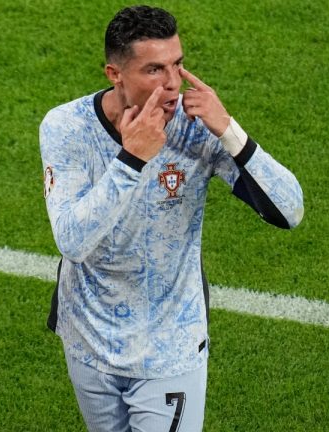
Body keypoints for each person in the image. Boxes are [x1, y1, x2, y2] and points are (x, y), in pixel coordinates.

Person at [39, 5, 303, 431]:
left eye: (178, 64)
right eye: (155, 70)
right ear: (115, 74)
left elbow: (290, 211)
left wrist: (229, 129)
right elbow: (72, 240)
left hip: (168, 347)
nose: (172, 83)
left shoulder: (197, 128)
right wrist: (131, 160)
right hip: (87, 340)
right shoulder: (65, 127)